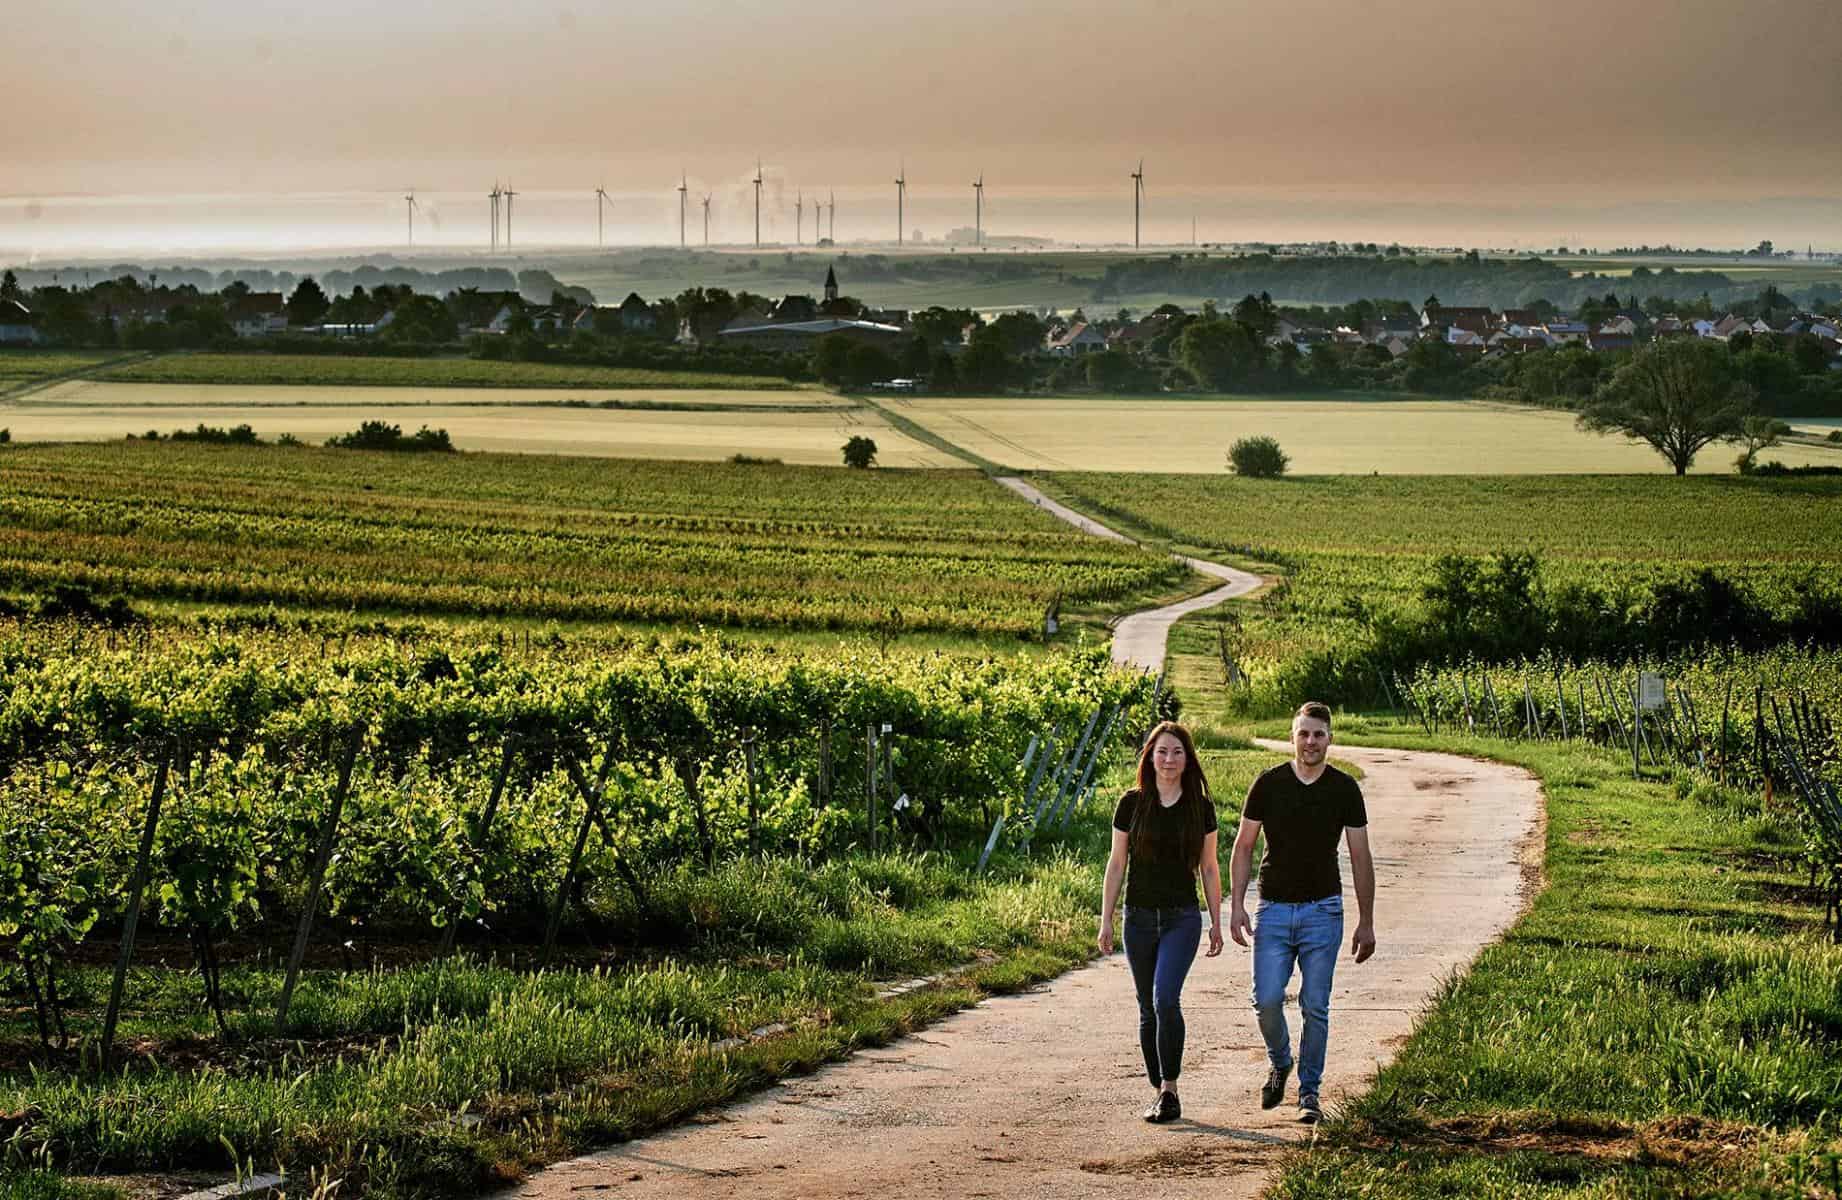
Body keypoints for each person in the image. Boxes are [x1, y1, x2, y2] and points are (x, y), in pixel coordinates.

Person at [1227, 701, 1375, 1124]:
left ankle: (1309, 1094)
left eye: (1319, 734)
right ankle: (1280, 1060)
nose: (1311, 742)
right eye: (1304, 734)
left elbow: (1361, 858)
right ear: (1292, 737)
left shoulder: (1344, 789)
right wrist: (1236, 906)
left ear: (1330, 739)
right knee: (1267, 1000)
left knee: (1316, 1004)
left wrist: (1366, 921)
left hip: (1323, 911)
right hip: (1273, 909)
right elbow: (1244, 847)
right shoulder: (1268, 784)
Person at [1097, 721, 1224, 1123]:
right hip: (1137, 918)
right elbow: (1116, 865)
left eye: (1178, 752)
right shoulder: (1131, 803)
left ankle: (1170, 1090)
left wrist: (1216, 921)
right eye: (1162, 752)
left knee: (1165, 999)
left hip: (1181, 918)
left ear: (1188, 760)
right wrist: (1106, 920)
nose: (1169, 760)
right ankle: (1158, 1090)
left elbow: (1208, 867)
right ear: (1150, 757)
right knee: (1146, 1009)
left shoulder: (1200, 807)